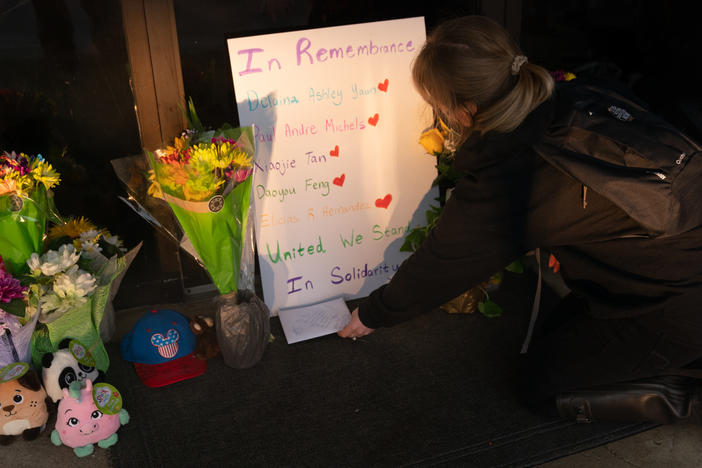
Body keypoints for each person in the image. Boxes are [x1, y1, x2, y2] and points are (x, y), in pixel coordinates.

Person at [338, 15, 702, 424]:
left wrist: (373, 313)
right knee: (556, 337)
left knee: (539, 386)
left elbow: (445, 261)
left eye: (437, 106)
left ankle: (682, 382)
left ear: (465, 111)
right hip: (667, 270)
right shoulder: (578, 92)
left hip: (677, 302)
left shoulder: (520, 167)